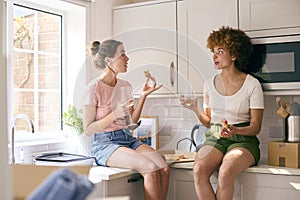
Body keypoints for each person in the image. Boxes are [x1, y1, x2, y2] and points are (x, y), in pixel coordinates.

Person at [180, 26, 264, 200]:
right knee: (198, 171)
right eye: (213, 51)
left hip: (243, 140)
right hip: (215, 136)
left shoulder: (252, 84)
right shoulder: (209, 84)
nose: (214, 56)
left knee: (225, 172)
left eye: (220, 51)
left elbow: (256, 127)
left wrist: (236, 131)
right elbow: (208, 122)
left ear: (234, 55)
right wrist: (195, 108)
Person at [83, 39, 170, 200]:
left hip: (127, 139)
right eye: (122, 54)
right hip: (105, 144)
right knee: (151, 169)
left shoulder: (125, 86)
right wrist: (114, 114)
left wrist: (143, 96)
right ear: (108, 60)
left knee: (164, 168)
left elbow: (131, 123)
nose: (127, 58)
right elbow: (88, 129)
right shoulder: (93, 88)